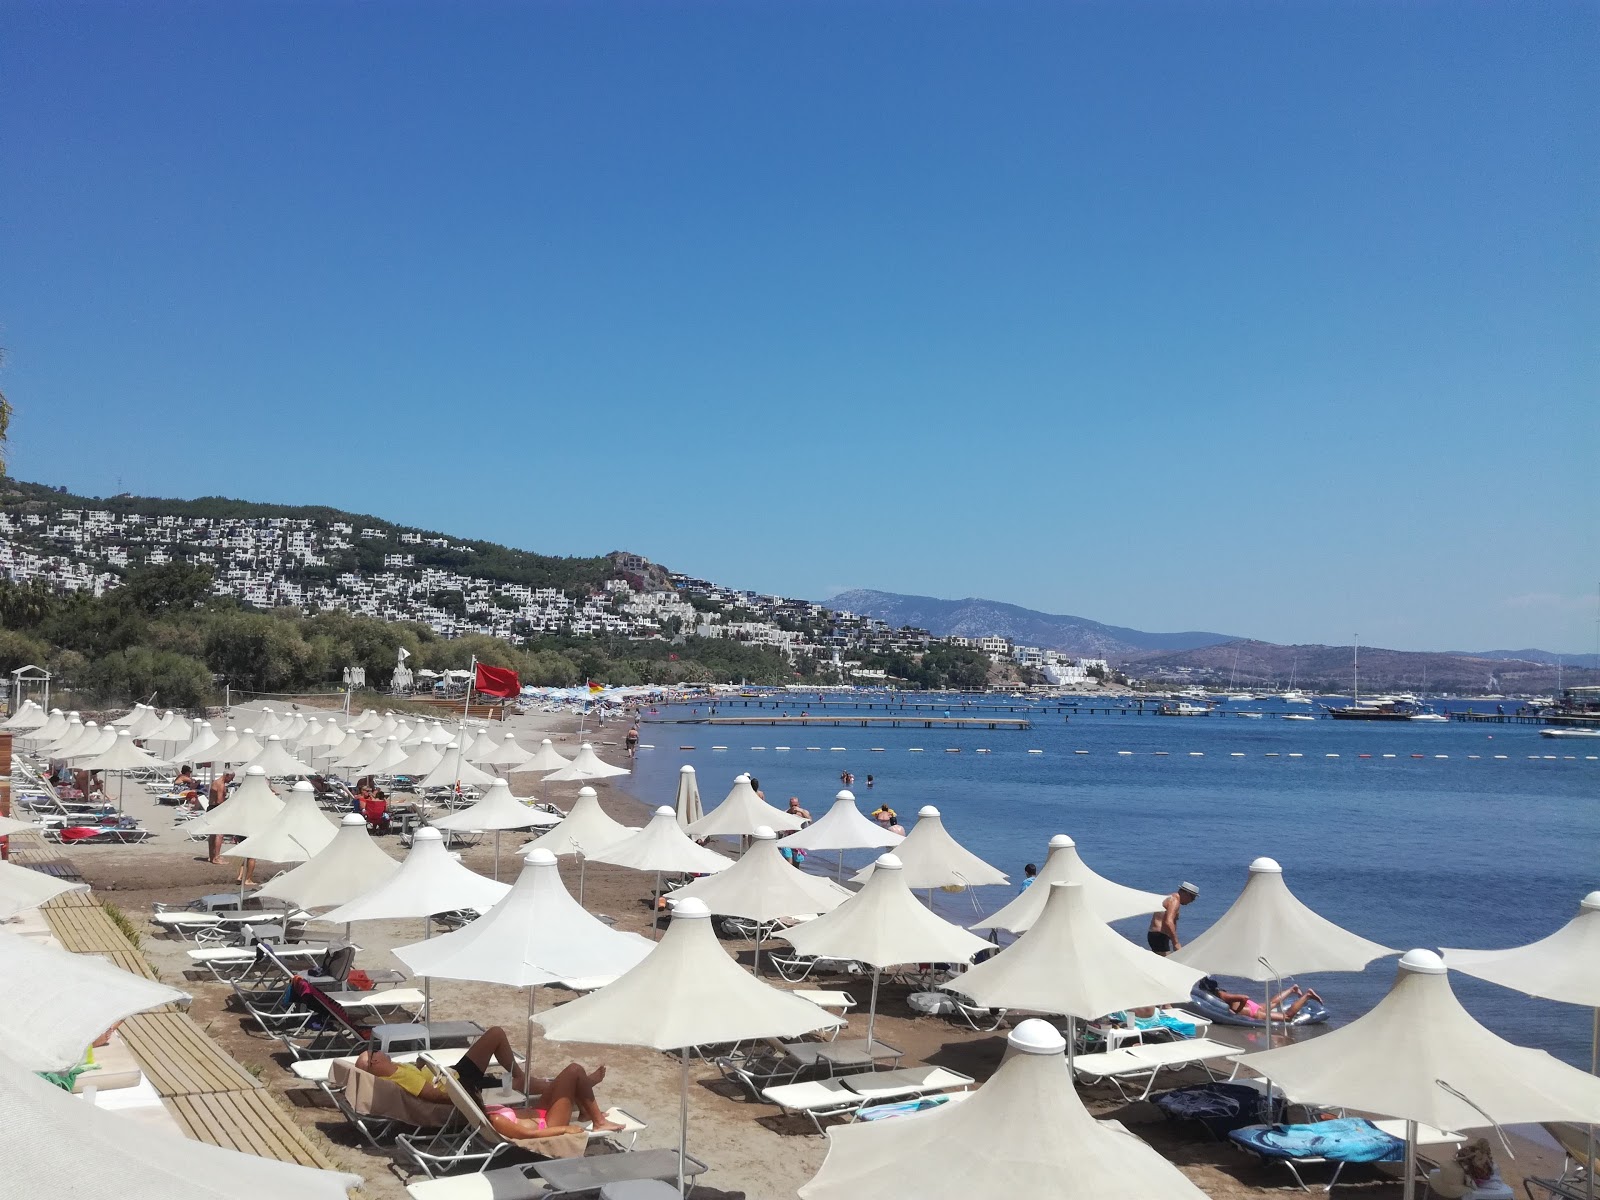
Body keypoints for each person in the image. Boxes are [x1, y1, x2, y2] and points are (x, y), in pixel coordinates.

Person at [356, 1026, 623, 1137]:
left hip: (534, 1112)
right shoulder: (396, 1075)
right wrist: (457, 1091)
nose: (378, 1050)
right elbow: (433, 1095)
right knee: (574, 1070)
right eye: (374, 1053)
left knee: (566, 1077)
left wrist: (425, 1065)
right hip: (543, 1121)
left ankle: (578, 1089)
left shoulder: (399, 1068)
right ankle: (597, 1118)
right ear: (375, 1065)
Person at [1197, 976, 1322, 1022]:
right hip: (1252, 1008)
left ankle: (1308, 995)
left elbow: (1244, 998)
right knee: (1272, 1003)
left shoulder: (1222, 995)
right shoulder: (1220, 993)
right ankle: (1292, 989)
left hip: (1253, 1012)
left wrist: (1236, 1011)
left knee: (1287, 1017)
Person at [1147, 882, 1198, 955]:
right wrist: (1176, 943)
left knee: (1160, 960)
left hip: (1156, 935)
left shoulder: (1170, 897)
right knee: (1167, 962)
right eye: (1192, 898)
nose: (1191, 901)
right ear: (1186, 894)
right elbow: (1168, 921)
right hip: (1159, 936)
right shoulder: (1174, 901)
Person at [206, 772, 234, 864]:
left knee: (212, 834)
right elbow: (219, 800)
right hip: (216, 809)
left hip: (211, 808)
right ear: (227, 775)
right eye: (231, 778)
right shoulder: (221, 785)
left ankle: (211, 856)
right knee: (219, 834)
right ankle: (216, 858)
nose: (232, 780)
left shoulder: (216, 782)